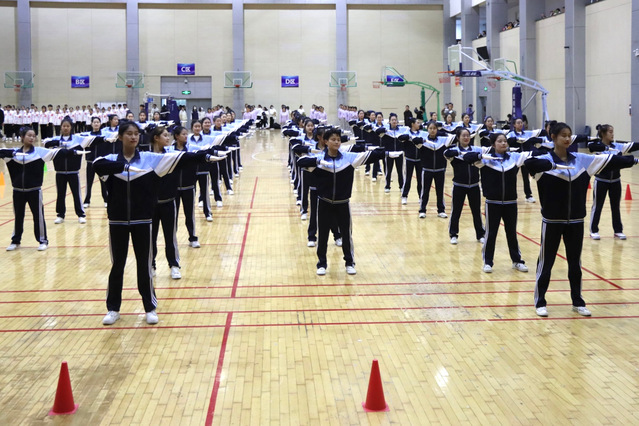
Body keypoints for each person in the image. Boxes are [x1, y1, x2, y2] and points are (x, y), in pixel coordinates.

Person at [93, 121, 222, 325]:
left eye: (136, 134)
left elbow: (180, 158)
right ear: (120, 137)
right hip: (117, 221)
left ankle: (149, 308)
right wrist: (124, 166)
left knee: (144, 266)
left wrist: (204, 157)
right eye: (129, 134)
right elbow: (96, 164)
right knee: (117, 265)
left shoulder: (150, 159)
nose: (133, 137)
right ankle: (113, 308)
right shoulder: (109, 160)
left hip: (143, 220)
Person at [525, 122, 639, 317]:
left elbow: (610, 160)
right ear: (553, 137)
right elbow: (529, 164)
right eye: (563, 135)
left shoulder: (582, 160)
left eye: (569, 135)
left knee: (575, 264)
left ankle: (577, 301)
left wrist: (634, 160)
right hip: (552, 222)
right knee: (546, 262)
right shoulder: (543, 160)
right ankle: (540, 301)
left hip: (576, 221)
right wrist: (552, 164)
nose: (567, 138)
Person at [297, 128, 402, 275]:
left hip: (343, 203)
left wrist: (386, 153)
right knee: (323, 235)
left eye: (338, 140)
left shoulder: (348, 158)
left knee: (346, 235)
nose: (336, 142)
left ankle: (349, 262)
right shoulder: (319, 159)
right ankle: (321, 264)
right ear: (326, 142)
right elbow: (300, 161)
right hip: (324, 202)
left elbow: (368, 155)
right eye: (333, 139)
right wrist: (317, 161)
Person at [462, 133, 531, 273]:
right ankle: (488, 262)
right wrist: (481, 156)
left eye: (505, 141)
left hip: (511, 202)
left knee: (511, 233)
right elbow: (467, 157)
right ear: (493, 144)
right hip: (493, 202)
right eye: (500, 141)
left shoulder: (514, 158)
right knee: (491, 233)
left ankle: (517, 261)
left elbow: (533, 154)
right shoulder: (486, 160)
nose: (503, 143)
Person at [0, 126, 67, 251]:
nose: (32, 138)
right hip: (17, 192)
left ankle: (43, 240)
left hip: (34, 191)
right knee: (18, 217)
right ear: (22, 137)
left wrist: (74, 151)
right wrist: (11, 153)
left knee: (38, 216)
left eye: (34, 136)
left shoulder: (40, 152)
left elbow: (59, 153)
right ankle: (15, 241)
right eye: (29, 135)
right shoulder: (12, 154)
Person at [587, 124, 639, 239]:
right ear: (603, 134)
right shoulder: (597, 147)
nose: (613, 134)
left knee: (615, 207)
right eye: (610, 132)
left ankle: (618, 230)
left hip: (616, 181)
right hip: (601, 181)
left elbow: (632, 145)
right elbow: (591, 146)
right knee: (597, 206)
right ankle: (594, 230)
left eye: (613, 131)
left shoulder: (618, 146)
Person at [443, 128, 485, 244]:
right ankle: (453, 234)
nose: (466, 138)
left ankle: (480, 234)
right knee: (456, 211)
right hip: (459, 186)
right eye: (463, 136)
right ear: (458, 138)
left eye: (468, 135)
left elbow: (488, 152)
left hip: (474, 186)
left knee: (476, 211)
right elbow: (446, 153)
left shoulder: (476, 149)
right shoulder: (454, 151)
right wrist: (459, 153)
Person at [44, 117, 88, 224]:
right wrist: (58, 143)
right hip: (60, 173)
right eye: (64, 126)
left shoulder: (77, 139)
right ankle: (60, 215)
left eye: (68, 126)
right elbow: (45, 143)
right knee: (60, 195)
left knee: (76, 194)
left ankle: (81, 215)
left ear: (71, 127)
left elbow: (89, 139)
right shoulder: (55, 140)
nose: (66, 128)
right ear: (60, 127)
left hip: (73, 172)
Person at [414, 121, 455, 218]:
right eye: (430, 128)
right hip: (427, 170)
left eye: (434, 128)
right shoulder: (423, 141)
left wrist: (442, 133)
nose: (432, 130)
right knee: (425, 191)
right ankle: (422, 210)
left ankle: (441, 210)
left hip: (440, 170)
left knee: (440, 191)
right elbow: (414, 140)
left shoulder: (443, 140)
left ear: (437, 129)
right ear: (427, 129)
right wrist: (423, 140)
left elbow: (453, 137)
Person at [398, 118, 423, 205]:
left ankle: (421, 197)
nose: (419, 124)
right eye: (417, 123)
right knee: (408, 179)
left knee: (420, 179)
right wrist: (409, 137)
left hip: (420, 160)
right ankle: (404, 196)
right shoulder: (406, 132)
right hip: (409, 159)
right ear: (412, 124)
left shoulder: (421, 133)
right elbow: (400, 138)